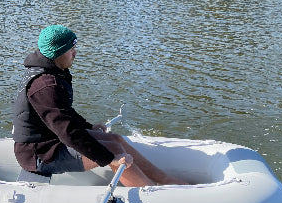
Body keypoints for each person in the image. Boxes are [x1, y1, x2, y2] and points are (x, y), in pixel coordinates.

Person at [12, 25, 186, 187]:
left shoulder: (52, 72)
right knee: (114, 149)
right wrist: (110, 158)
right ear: (58, 53)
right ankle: (149, 192)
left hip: (52, 140)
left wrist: (89, 127)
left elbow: (64, 113)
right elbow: (67, 131)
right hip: (41, 154)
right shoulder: (45, 85)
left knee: (116, 139)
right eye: (70, 49)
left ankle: (166, 180)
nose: (75, 53)